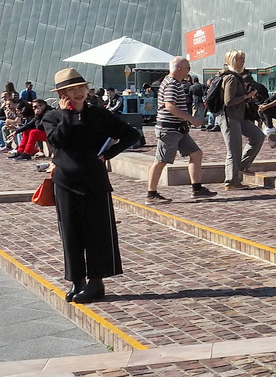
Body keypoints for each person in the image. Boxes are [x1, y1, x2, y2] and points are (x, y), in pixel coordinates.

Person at [41, 68, 141, 303]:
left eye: (80, 88)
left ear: (87, 90)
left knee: (98, 233)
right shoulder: (52, 116)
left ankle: (97, 283)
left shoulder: (98, 114)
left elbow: (131, 134)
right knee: (70, 233)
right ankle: (77, 281)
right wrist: (67, 115)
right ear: (62, 94)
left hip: (95, 182)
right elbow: (57, 140)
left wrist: (109, 153)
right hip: (65, 183)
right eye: (70, 90)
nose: (77, 93)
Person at [146, 57, 217, 202]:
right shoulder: (172, 84)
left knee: (196, 153)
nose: (188, 71)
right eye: (188, 68)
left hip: (178, 128)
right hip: (169, 129)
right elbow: (169, 106)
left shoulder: (172, 82)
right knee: (161, 160)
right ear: (180, 69)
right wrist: (191, 119)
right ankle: (151, 194)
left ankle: (197, 188)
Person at [214, 50, 264, 191]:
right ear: (232, 60)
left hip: (238, 116)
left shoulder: (235, 76)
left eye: (243, 58)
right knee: (234, 150)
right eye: (240, 59)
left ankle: (242, 166)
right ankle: (231, 181)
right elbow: (229, 101)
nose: (243, 61)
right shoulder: (231, 77)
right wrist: (247, 96)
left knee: (258, 135)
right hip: (229, 117)